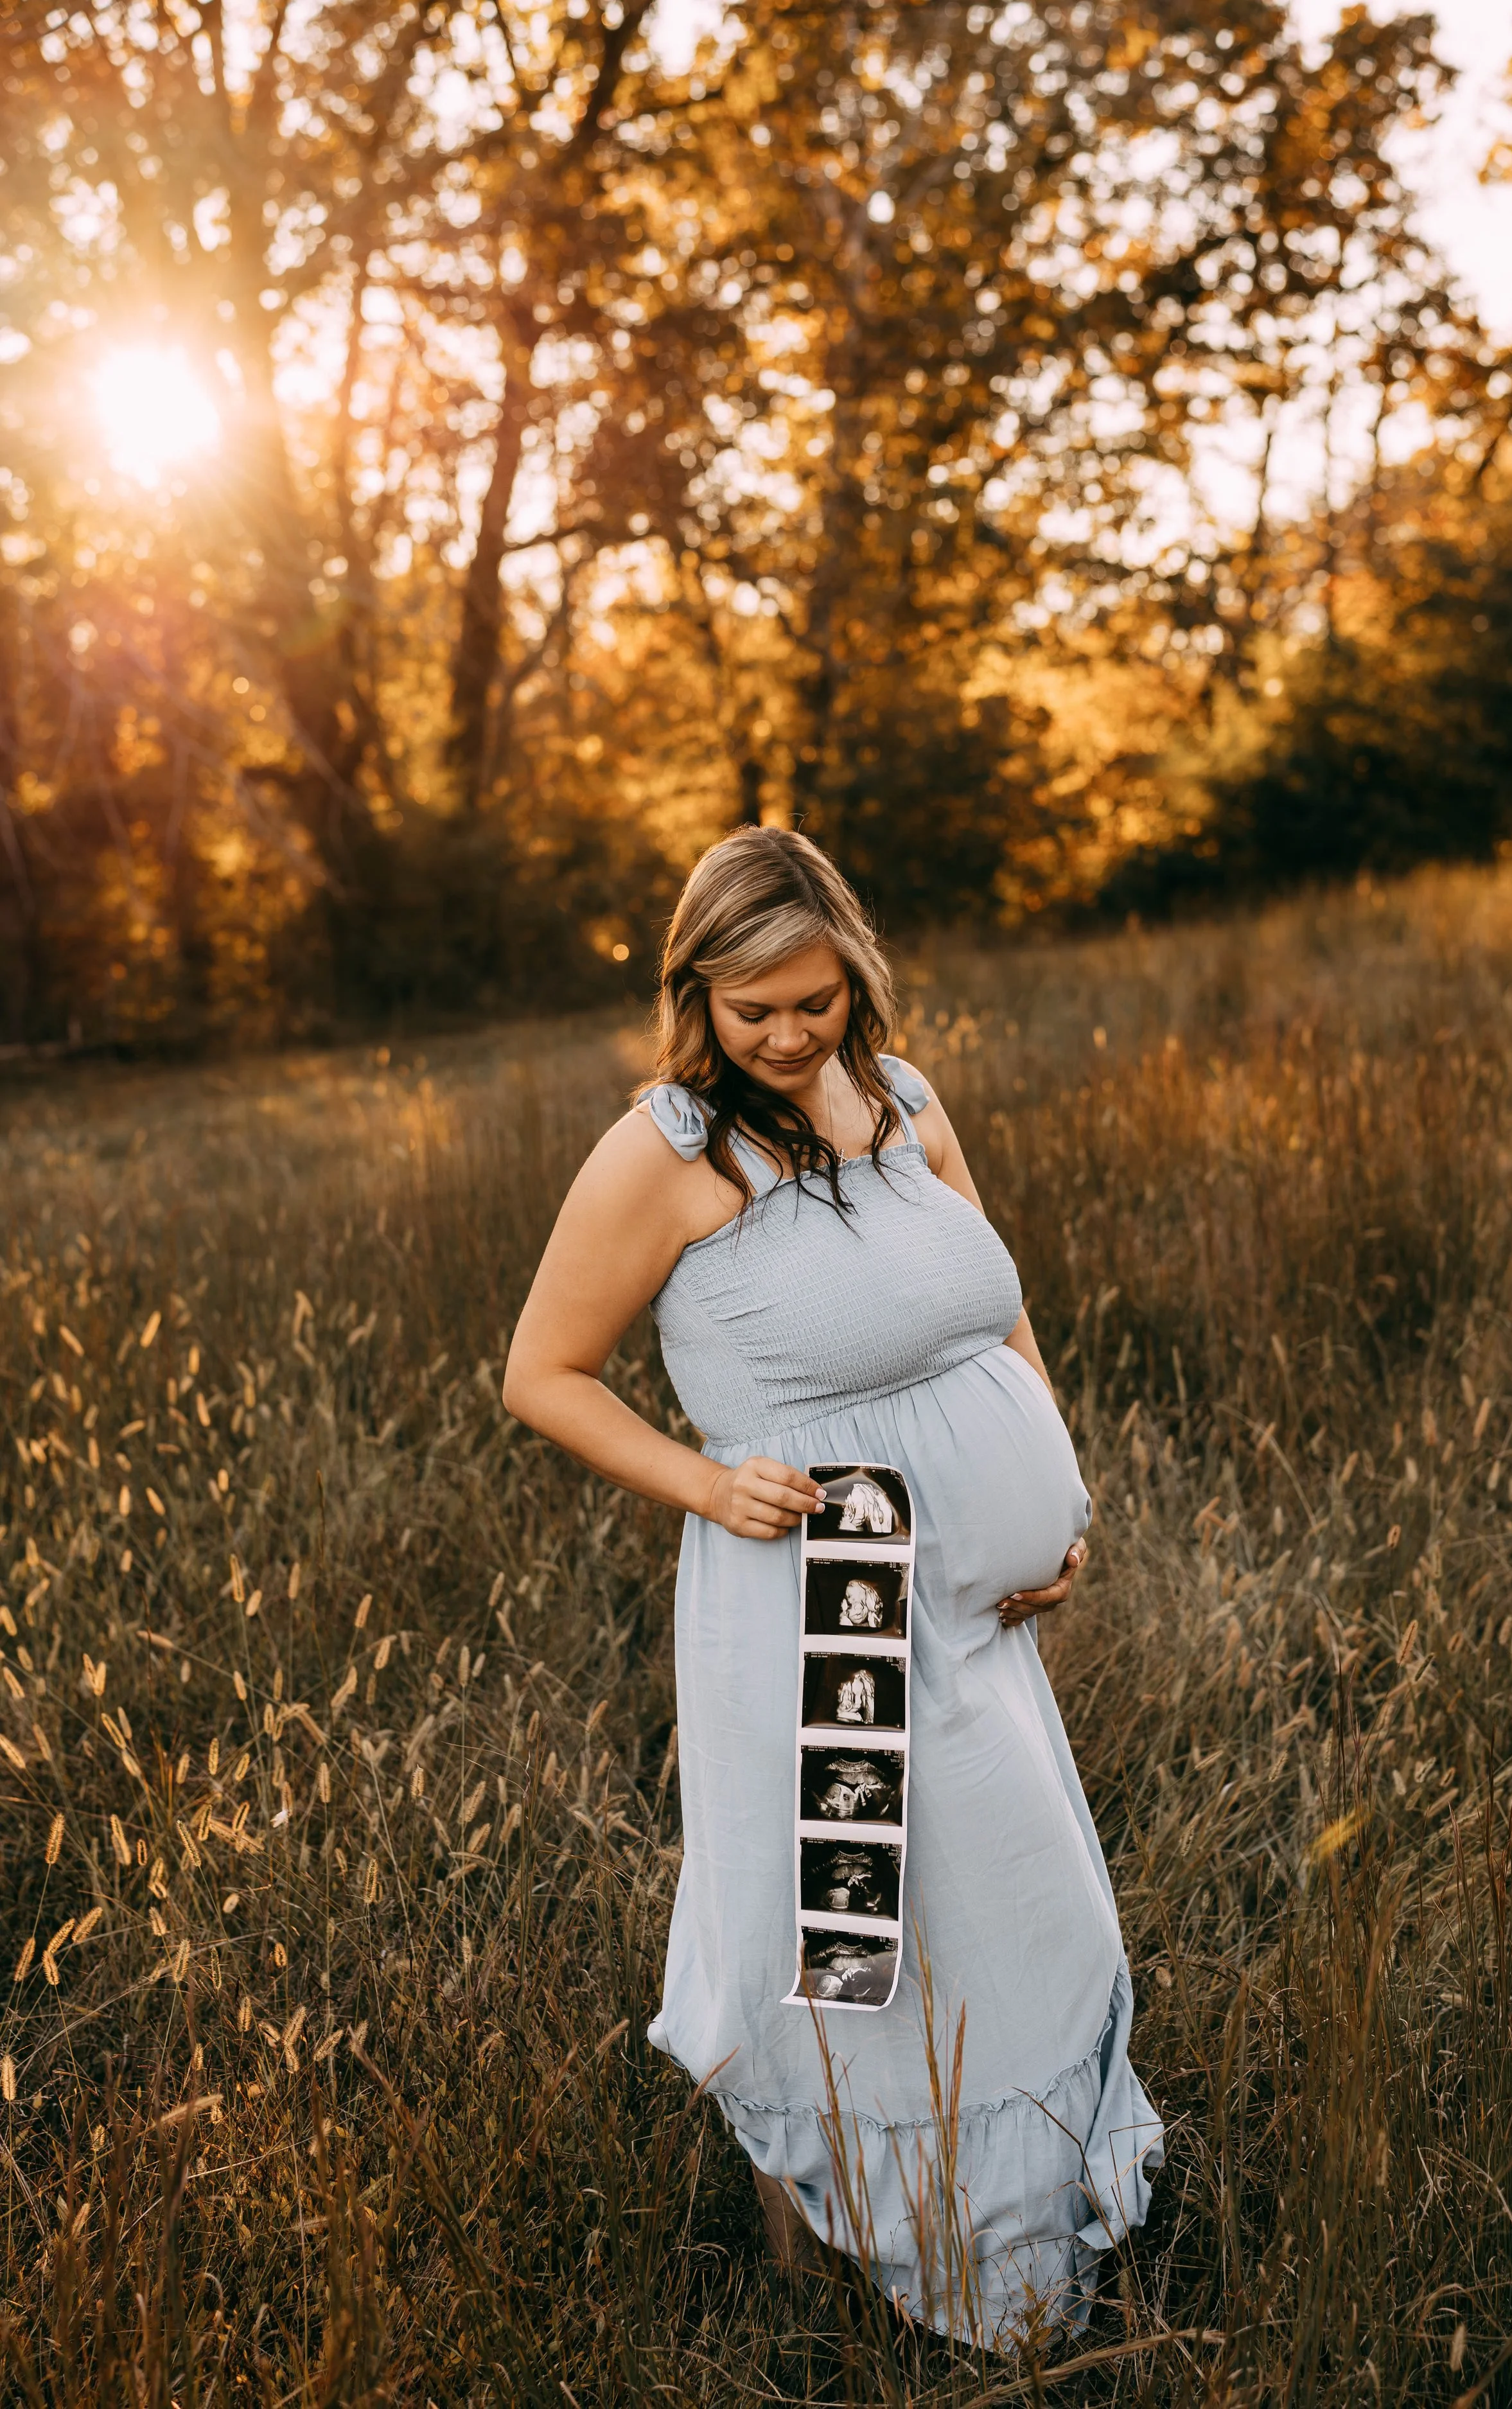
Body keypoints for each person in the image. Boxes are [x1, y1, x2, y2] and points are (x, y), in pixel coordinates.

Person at [502, 826, 1161, 2344]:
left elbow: (994, 1319)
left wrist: (1054, 1502)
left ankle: (1041, 2214)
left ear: (853, 971)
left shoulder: (907, 1097)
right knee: (852, 1939)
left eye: (815, 1000)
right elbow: (541, 1372)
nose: (792, 1037)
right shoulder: (664, 1152)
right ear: (696, 998)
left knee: (1016, 1913)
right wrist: (707, 1481)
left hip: (982, 1614)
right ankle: (845, 2260)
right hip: (832, 1595)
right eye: (755, 1013)